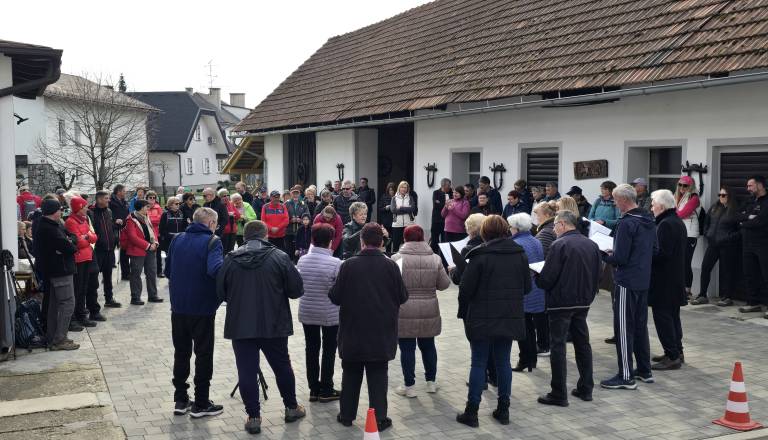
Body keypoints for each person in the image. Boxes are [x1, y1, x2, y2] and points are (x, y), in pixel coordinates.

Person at [217, 220, 306, 435]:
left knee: (246, 370)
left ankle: (253, 416)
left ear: (245, 237)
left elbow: (220, 293)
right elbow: (296, 290)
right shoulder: (279, 257)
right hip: (274, 323)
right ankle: (291, 407)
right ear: (266, 235)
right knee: (282, 366)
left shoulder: (230, 259)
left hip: (241, 324)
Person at [330, 223, 407, 431]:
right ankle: (380, 418)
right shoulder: (391, 266)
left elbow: (335, 297)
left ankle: (347, 415)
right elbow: (403, 296)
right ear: (381, 242)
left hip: (353, 330)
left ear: (361, 241)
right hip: (381, 331)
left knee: (351, 374)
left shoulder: (348, 265)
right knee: (378, 376)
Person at [456, 215, 530, 428]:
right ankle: (503, 409)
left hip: (481, 317)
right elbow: (527, 288)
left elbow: (466, 290)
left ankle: (472, 411)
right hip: (508, 316)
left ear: (485, 233)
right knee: (503, 362)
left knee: (479, 362)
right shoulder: (519, 254)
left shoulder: (479, 256)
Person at [535, 210, 601, 406]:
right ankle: (586, 388)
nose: (554, 230)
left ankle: (558, 393)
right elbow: (598, 273)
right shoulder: (591, 244)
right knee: (583, 344)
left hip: (561, 303)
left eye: (555, 226)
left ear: (563, 224)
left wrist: (538, 277)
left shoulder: (559, 244)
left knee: (558, 346)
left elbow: (547, 279)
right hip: (583, 301)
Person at [165, 207, 225, 418]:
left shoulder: (177, 239)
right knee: (203, 353)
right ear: (210, 223)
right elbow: (215, 269)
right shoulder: (213, 241)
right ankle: (201, 402)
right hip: (202, 307)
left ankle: (180, 399)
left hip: (179, 306)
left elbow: (167, 270)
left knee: (181, 352)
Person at [600, 184, 656, 389]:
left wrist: (605, 254)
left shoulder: (626, 223)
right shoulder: (649, 219)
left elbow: (621, 257)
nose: (615, 204)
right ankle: (644, 370)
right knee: (640, 326)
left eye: (615, 200)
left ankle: (625, 376)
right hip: (643, 279)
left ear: (623, 200)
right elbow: (655, 250)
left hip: (626, 281)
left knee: (623, 328)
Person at [391, 225, 450, 398]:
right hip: (429, 308)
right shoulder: (435, 258)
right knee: (429, 346)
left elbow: (392, 286)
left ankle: (409, 387)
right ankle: (431, 382)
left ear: (404, 238)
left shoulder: (397, 258)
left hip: (404, 308)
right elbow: (444, 285)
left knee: (407, 349)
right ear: (423, 237)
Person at [297, 223, 343, 403]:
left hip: (307, 311)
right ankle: (326, 388)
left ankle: (313, 389)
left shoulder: (302, 260)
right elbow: (339, 290)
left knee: (311, 349)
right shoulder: (335, 263)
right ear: (331, 241)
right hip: (329, 313)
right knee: (329, 349)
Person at [648, 189, 687, 371]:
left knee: (663, 318)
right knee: (673, 317)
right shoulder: (675, 221)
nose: (651, 207)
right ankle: (676, 352)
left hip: (664, 280)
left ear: (662, 206)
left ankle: (672, 356)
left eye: (653, 204)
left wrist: (645, 254)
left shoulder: (665, 224)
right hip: (673, 277)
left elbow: (662, 254)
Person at [34, 198, 79, 350]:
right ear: (54, 212)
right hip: (60, 271)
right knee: (67, 304)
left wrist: (69, 241)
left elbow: (72, 238)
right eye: (60, 209)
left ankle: (52, 337)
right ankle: (60, 339)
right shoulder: (50, 229)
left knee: (54, 306)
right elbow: (71, 247)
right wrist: (69, 242)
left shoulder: (48, 224)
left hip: (54, 271)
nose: (62, 211)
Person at [508, 213, 545, 374]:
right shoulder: (535, 240)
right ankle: (531, 359)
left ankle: (525, 359)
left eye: (510, 226)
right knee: (530, 325)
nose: (509, 229)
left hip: (523, 290)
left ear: (516, 227)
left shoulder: (515, 243)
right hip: (536, 288)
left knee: (522, 327)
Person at [691, 186, 741, 306]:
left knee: (727, 271)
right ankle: (702, 295)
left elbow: (740, 230)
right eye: (719, 195)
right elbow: (706, 221)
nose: (720, 197)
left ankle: (727, 297)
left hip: (727, 245)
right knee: (705, 267)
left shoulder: (735, 210)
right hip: (713, 243)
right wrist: (707, 233)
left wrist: (728, 238)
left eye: (723, 195)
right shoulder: (715, 207)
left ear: (730, 196)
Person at [64, 197, 99, 328]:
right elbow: (78, 242)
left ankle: (81, 314)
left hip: (87, 257)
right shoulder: (71, 221)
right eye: (84, 206)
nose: (86, 208)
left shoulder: (84, 220)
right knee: (77, 289)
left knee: (84, 288)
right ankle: (75, 317)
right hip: (79, 259)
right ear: (78, 207)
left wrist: (87, 237)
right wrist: (87, 238)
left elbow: (94, 237)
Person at [737, 175, 768, 316]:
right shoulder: (749, 200)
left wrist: (746, 222)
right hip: (747, 243)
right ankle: (753, 303)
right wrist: (747, 218)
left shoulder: (766, 201)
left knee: (765, 274)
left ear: (760, 185)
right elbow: (737, 216)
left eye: (750, 185)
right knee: (749, 274)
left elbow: (761, 221)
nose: (747, 188)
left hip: (763, 243)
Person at [123, 200, 162, 305]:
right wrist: (148, 245)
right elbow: (132, 237)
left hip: (150, 249)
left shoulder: (146, 216)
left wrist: (155, 243)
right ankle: (135, 297)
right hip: (137, 250)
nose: (148, 209)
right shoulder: (131, 219)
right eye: (146, 207)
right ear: (140, 208)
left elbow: (152, 230)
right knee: (136, 274)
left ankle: (153, 295)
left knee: (152, 273)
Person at [532, 201, 557, 356]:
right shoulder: (547, 228)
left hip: (544, 276)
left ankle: (544, 345)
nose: (535, 217)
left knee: (541, 314)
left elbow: (542, 255)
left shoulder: (545, 232)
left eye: (537, 214)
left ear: (546, 215)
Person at [89, 191, 121, 309]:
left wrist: (116, 225)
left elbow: (109, 227)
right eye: (106, 198)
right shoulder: (91, 212)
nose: (109, 200)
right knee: (93, 279)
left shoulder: (109, 211)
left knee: (108, 276)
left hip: (109, 249)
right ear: (99, 199)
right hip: (97, 250)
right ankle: (92, 303)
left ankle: (109, 299)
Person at [675, 175, 701, 298]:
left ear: (691, 186)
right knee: (679, 261)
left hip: (690, 234)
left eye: (685, 185)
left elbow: (682, 213)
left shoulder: (694, 197)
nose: (682, 187)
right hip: (680, 232)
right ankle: (680, 288)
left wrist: (670, 214)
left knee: (685, 262)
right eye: (680, 184)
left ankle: (687, 290)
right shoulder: (678, 197)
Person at [109, 185, 130, 281]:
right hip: (113, 228)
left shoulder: (124, 202)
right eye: (124, 191)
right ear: (118, 191)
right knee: (111, 250)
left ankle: (125, 273)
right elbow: (108, 215)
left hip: (124, 228)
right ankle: (106, 275)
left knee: (124, 250)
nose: (125, 193)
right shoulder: (111, 202)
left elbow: (126, 213)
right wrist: (114, 220)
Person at [390, 181, 418, 253]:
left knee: (409, 245)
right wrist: (406, 209)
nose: (404, 189)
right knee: (396, 245)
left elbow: (412, 209)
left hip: (408, 224)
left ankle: (408, 261)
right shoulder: (394, 198)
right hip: (397, 225)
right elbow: (393, 210)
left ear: (407, 189)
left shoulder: (410, 198)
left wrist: (401, 208)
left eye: (405, 187)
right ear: (399, 188)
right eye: (402, 187)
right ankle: (395, 262)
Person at [159, 197, 187, 262]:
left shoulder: (181, 213)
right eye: (176, 204)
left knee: (179, 259)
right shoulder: (165, 214)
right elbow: (162, 229)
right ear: (171, 205)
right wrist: (170, 236)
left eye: (179, 204)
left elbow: (184, 226)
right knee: (169, 259)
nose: (178, 205)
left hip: (180, 240)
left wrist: (183, 235)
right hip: (169, 241)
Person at [285, 188, 309, 260]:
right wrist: (290, 220)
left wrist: (301, 220)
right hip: (289, 232)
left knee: (299, 251)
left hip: (300, 231)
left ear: (299, 194)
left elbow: (308, 215)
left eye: (297, 193)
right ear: (291, 194)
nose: (295, 195)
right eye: (293, 193)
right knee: (289, 251)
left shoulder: (303, 204)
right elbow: (283, 216)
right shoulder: (286, 203)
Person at [431, 178, 453, 254]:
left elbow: (452, 205)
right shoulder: (436, 193)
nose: (450, 187)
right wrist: (446, 205)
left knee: (445, 241)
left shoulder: (451, 193)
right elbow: (436, 205)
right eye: (448, 185)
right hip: (436, 220)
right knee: (434, 240)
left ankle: (444, 257)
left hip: (446, 220)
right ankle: (434, 255)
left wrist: (443, 204)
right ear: (443, 185)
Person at [146, 191, 164, 277]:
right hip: (147, 233)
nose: (152, 199)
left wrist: (151, 219)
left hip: (157, 233)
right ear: (147, 198)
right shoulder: (144, 207)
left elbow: (160, 219)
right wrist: (154, 219)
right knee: (148, 253)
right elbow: (145, 220)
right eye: (150, 198)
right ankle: (149, 272)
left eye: (154, 198)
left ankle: (159, 271)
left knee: (158, 253)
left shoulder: (158, 208)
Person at [378, 183, 396, 249]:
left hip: (395, 220)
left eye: (393, 190)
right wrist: (386, 208)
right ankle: (388, 252)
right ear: (387, 190)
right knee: (388, 237)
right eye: (390, 190)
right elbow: (380, 208)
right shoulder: (384, 197)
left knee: (395, 238)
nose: (391, 191)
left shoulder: (397, 197)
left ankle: (394, 252)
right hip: (386, 220)